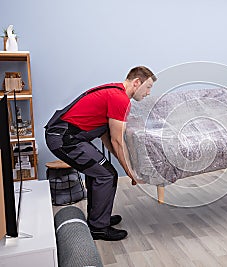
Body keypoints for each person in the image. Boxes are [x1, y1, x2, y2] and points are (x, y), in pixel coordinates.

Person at [45, 66, 156, 241]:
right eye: (148, 87)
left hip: (68, 137)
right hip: (65, 139)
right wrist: (130, 172)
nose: (148, 92)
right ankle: (98, 228)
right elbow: (118, 142)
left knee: (100, 172)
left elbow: (107, 137)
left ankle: (98, 219)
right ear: (136, 83)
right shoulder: (120, 99)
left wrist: (125, 165)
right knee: (107, 175)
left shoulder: (114, 92)